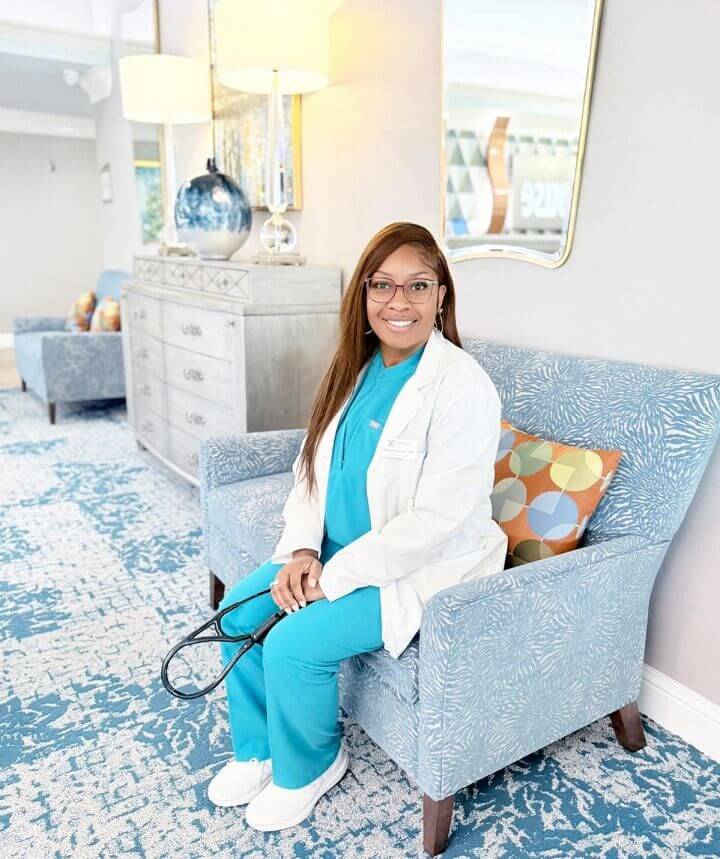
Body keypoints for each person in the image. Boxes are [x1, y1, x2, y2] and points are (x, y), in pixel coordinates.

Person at [206, 221, 508, 831]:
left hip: (416, 569)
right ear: (363, 296)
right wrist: (298, 552)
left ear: (441, 295)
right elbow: (308, 470)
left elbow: (437, 522)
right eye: (382, 286)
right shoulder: (356, 366)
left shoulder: (462, 387)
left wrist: (332, 576)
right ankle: (260, 749)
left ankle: (313, 764)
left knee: (293, 643)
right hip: (329, 551)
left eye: (417, 286)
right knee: (239, 610)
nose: (399, 303)